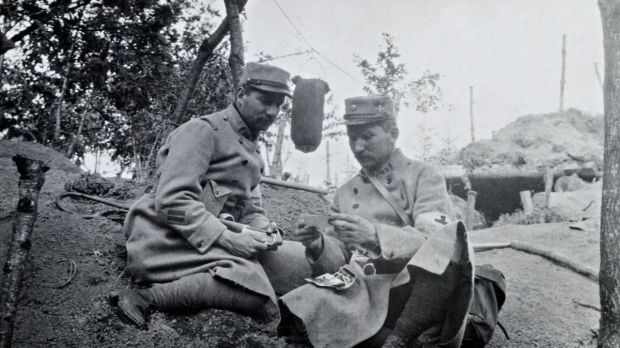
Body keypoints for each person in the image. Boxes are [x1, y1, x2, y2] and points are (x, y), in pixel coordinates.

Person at [109, 62, 312, 328]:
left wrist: (265, 231)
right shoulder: (203, 131)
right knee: (254, 292)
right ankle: (144, 298)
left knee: (304, 266)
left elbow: (250, 210)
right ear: (240, 94)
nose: (272, 112)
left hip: (217, 235)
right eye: (264, 101)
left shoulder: (253, 151)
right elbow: (172, 200)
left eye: (278, 105)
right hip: (167, 236)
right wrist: (227, 238)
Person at [282, 95, 474, 347]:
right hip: (368, 291)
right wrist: (318, 244)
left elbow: (436, 241)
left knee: (452, 236)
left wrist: (375, 235)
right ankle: (397, 339)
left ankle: (400, 336)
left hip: (418, 288)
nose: (358, 147)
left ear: (392, 133)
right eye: (352, 139)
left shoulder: (424, 175)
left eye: (368, 136)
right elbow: (337, 266)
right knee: (306, 303)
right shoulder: (344, 193)